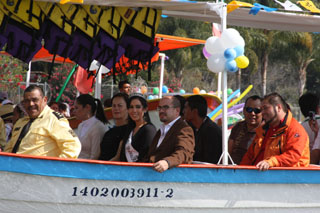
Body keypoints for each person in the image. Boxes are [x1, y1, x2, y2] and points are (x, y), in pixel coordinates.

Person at [4, 85, 81, 158]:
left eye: (35, 100)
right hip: (13, 169)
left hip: (36, 170)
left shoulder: (54, 120)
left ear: (44, 100)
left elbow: (73, 146)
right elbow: (10, 148)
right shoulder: (21, 122)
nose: (31, 104)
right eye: (27, 101)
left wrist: (54, 168)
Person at [240, 93, 309, 171]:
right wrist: (240, 171)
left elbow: (293, 155)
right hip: (257, 177)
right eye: (261, 109)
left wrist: (270, 162)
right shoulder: (263, 129)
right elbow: (249, 156)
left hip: (287, 179)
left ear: (278, 107)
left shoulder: (295, 129)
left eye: (265, 108)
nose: (262, 112)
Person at [145, 96, 195, 173]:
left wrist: (167, 162)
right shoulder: (161, 130)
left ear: (177, 110)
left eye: (165, 107)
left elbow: (184, 152)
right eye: (159, 108)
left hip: (172, 180)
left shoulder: (184, 129)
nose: (161, 111)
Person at [112, 94, 156, 162]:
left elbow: (146, 158)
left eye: (138, 107)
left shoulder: (149, 129)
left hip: (138, 170)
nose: (134, 110)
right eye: (131, 107)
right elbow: (118, 157)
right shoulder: (129, 129)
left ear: (145, 109)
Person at [183, 95, 222, 164]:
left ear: (194, 111)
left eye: (186, 108)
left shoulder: (212, 132)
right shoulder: (190, 128)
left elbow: (210, 161)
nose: (183, 111)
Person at [228, 95, 263, 164]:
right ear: (244, 111)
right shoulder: (238, 127)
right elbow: (228, 152)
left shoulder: (266, 130)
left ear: (262, 112)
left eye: (257, 110)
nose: (252, 113)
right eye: (249, 110)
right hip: (232, 170)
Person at [74, 94, 110, 160]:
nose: (74, 111)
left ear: (88, 107)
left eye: (77, 108)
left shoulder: (98, 127)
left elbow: (95, 156)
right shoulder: (80, 125)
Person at [99, 93, 130, 160]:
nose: (116, 108)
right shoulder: (108, 133)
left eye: (120, 106)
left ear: (128, 108)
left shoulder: (130, 132)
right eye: (114, 106)